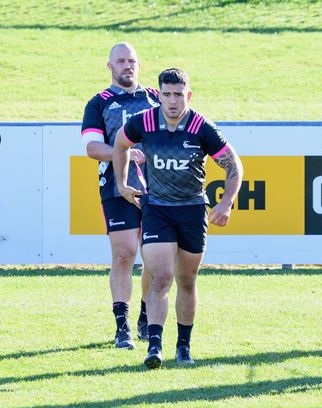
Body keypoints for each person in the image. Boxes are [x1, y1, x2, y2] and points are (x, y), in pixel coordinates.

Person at [113, 68, 243, 369]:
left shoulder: (201, 127)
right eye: (167, 94)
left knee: (186, 280)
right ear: (158, 94)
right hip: (156, 207)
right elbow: (120, 144)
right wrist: (121, 185)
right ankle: (155, 346)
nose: (172, 101)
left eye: (178, 95)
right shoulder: (144, 121)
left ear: (189, 95)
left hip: (192, 209)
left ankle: (183, 347)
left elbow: (233, 165)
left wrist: (226, 203)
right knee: (160, 276)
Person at [82, 42, 159, 349]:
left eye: (132, 61)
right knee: (124, 254)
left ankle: (144, 314)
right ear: (109, 66)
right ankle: (122, 326)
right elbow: (92, 148)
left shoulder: (156, 97)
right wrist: (126, 152)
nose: (128, 66)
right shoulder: (99, 103)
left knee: (154, 259)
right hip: (116, 187)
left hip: (158, 188)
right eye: (121, 61)